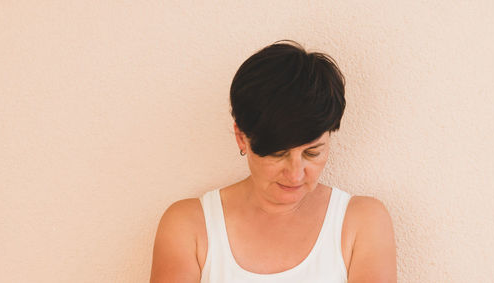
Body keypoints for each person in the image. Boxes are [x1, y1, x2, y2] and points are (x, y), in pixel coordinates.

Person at [150, 40, 397, 282]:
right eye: (278, 154)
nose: (295, 174)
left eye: (312, 153)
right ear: (241, 138)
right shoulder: (188, 226)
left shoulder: (362, 223)